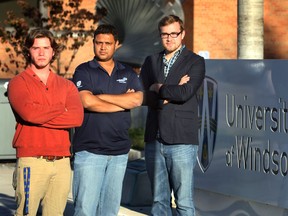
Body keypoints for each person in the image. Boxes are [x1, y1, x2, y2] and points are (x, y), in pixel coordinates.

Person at [7, 28, 84, 216]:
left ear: (53, 51)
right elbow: (29, 114)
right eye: (36, 48)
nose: (41, 53)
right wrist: (60, 108)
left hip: (62, 162)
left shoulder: (67, 85)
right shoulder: (18, 82)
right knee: (26, 214)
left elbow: (77, 117)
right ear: (28, 51)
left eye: (46, 48)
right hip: (32, 161)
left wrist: (41, 112)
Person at [72, 24, 143, 216]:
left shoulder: (127, 73)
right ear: (93, 43)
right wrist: (122, 102)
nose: (103, 47)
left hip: (119, 153)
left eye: (108, 43)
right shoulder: (84, 71)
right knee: (85, 211)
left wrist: (99, 96)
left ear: (117, 45)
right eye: (99, 43)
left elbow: (137, 99)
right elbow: (86, 101)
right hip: (89, 151)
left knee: (109, 211)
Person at [140, 15, 206, 216]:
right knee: (159, 202)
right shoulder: (151, 61)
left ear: (182, 34)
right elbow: (143, 95)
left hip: (181, 141)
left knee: (184, 202)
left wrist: (159, 87)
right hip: (154, 139)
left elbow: (186, 93)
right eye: (164, 34)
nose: (169, 38)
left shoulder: (195, 62)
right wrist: (172, 90)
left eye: (174, 34)